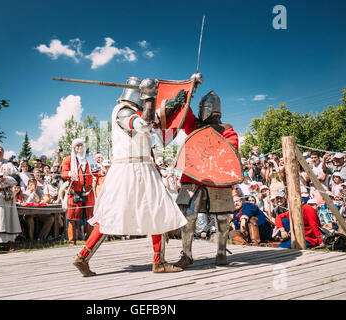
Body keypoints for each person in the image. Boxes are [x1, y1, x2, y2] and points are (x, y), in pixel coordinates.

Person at [72, 77, 187, 276]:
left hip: (136, 168)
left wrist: (175, 103)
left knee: (142, 212)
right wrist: (150, 96)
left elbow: (156, 120)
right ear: (139, 95)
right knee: (150, 211)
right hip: (133, 169)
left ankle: (83, 256)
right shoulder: (124, 112)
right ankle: (157, 262)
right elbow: (143, 124)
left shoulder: (130, 110)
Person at [173, 90, 239, 268]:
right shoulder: (194, 126)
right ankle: (186, 254)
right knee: (187, 215)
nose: (202, 111)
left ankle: (221, 251)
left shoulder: (228, 130)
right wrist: (188, 94)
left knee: (222, 217)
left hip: (216, 177)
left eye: (204, 108)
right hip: (192, 176)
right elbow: (185, 113)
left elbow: (229, 152)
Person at [61, 139, 100, 244]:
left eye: (81, 145)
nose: (79, 148)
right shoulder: (68, 159)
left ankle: (90, 240)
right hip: (75, 190)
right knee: (72, 216)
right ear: (74, 148)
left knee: (90, 216)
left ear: (84, 146)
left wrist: (102, 172)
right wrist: (69, 173)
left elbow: (96, 172)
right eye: (77, 146)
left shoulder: (90, 159)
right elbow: (63, 173)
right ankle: (72, 241)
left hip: (88, 190)